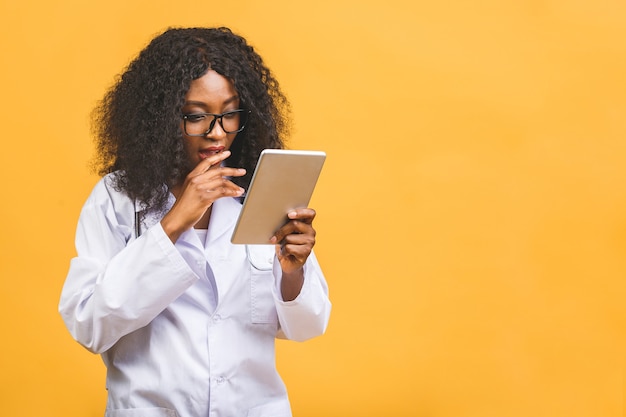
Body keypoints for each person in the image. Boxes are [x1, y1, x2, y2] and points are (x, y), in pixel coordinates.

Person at [58, 27, 331, 417]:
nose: (217, 132)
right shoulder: (117, 198)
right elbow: (89, 325)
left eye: (230, 113)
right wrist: (173, 223)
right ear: (159, 118)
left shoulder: (262, 191)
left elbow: (308, 327)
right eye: (195, 116)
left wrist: (292, 274)